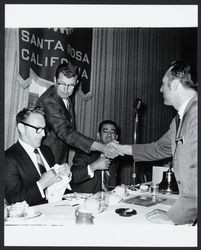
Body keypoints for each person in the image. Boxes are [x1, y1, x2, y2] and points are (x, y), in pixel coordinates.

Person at [113, 61, 197, 225]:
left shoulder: (196, 115)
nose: (160, 89)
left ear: (173, 85)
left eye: (163, 84)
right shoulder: (178, 121)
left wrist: (174, 217)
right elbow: (159, 148)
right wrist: (120, 148)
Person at [35, 61, 122, 165]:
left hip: (57, 159)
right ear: (55, 80)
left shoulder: (66, 98)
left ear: (76, 83)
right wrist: (101, 147)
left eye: (70, 85)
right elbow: (65, 132)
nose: (66, 90)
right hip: (43, 160)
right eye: (62, 84)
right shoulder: (48, 100)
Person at [5, 106, 71, 206]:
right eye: (38, 129)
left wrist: (64, 175)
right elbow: (14, 200)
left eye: (44, 129)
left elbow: (54, 187)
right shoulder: (8, 158)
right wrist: (41, 184)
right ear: (21, 128)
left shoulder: (46, 150)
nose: (43, 134)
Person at [71, 120, 121, 193]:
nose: (109, 135)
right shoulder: (85, 152)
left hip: (106, 199)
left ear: (116, 137)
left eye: (112, 132)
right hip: (85, 200)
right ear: (98, 135)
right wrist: (93, 166)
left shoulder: (116, 156)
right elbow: (72, 177)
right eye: (105, 131)